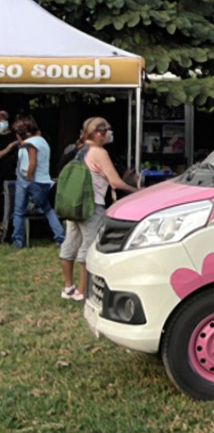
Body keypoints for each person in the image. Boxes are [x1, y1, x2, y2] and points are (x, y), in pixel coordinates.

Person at [59, 117, 138, 301]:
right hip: (91, 205)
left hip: (75, 204)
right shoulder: (99, 152)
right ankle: (82, 290)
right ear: (98, 133)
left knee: (70, 244)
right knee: (89, 246)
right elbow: (116, 182)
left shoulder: (78, 150)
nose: (109, 134)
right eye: (107, 130)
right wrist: (137, 191)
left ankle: (67, 286)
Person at [10, 114, 65, 248]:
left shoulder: (30, 144)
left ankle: (17, 242)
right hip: (43, 181)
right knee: (47, 210)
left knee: (19, 212)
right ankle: (61, 238)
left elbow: (32, 162)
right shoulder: (42, 141)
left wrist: (28, 177)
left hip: (29, 180)